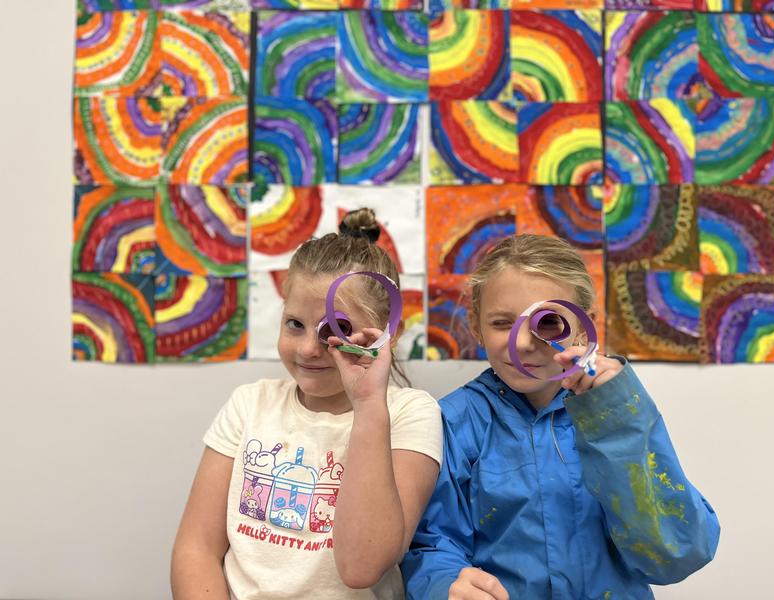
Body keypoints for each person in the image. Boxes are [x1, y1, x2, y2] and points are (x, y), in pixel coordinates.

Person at [402, 234, 720, 599]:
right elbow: (429, 544)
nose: (521, 343)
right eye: (502, 323)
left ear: (585, 326)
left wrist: (615, 419)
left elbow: (677, 553)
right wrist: (445, 583)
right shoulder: (454, 422)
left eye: (548, 323)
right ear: (476, 324)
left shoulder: (620, 411)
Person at [171, 208, 443, 599]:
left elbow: (362, 566)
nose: (308, 349)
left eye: (334, 331)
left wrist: (368, 405)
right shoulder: (250, 403)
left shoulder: (410, 414)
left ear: (388, 334)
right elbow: (195, 549)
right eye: (294, 324)